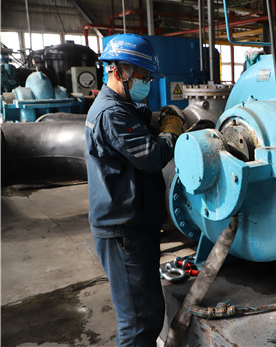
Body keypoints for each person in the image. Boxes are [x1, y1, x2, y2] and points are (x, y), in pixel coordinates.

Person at [85, 34, 184, 346]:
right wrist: (171, 131)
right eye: (143, 77)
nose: (147, 83)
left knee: (147, 312)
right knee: (139, 321)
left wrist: (159, 119)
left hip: (133, 225)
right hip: (123, 231)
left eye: (149, 77)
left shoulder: (122, 106)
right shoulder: (111, 113)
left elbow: (139, 125)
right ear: (119, 71)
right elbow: (151, 157)